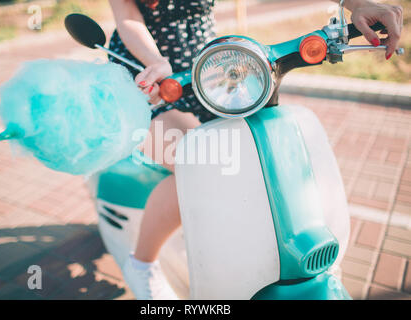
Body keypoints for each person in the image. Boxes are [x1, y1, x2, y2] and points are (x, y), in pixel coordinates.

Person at [107, 0, 403, 300]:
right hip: (150, 71)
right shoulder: (149, 63)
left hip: (212, 68)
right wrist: (155, 61)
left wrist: (356, 3)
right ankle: (142, 264)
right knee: (196, 162)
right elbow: (127, 17)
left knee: (247, 157)